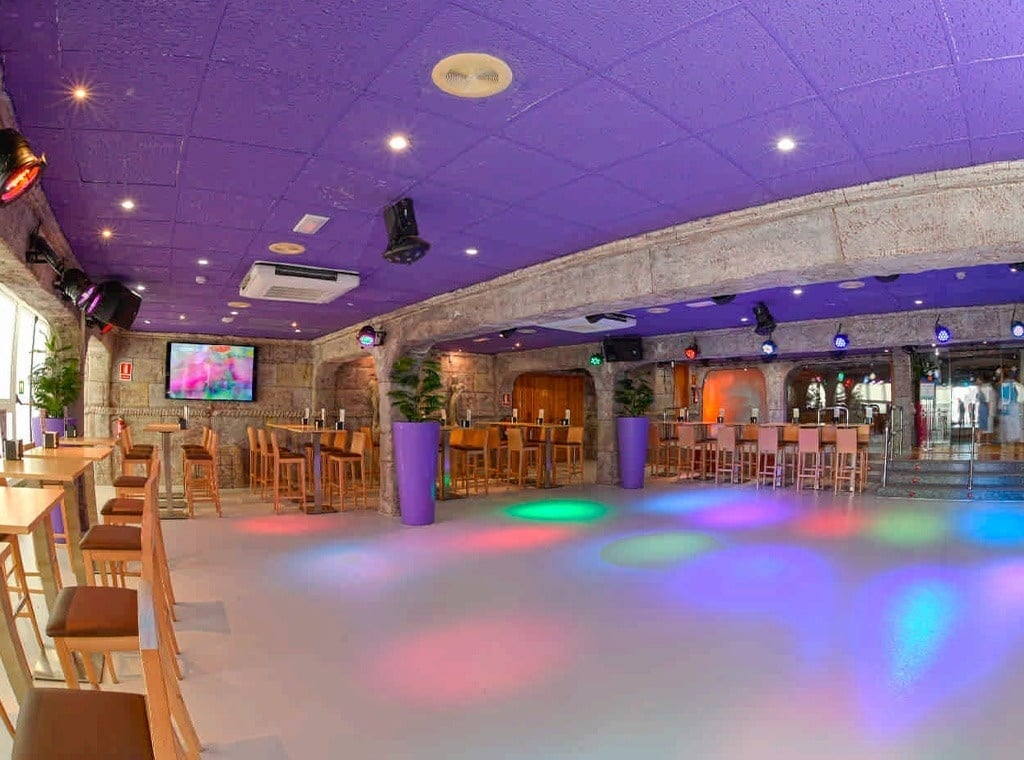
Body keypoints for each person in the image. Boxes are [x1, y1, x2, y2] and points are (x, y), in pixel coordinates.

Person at [999, 369, 1023, 444]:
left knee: (1009, 425)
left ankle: (1010, 441)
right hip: (1015, 405)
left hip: (1006, 407)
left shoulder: (1003, 384)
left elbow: (1001, 397)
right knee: (1016, 425)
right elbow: (1021, 396)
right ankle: (1017, 441)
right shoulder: (1016, 384)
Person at [976, 378, 993, 443]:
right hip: (984, 407)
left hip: (981, 407)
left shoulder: (979, 389)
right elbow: (988, 400)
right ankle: (979, 438)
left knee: (982, 424)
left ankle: (978, 438)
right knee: (984, 424)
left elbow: (977, 399)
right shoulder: (986, 389)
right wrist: (988, 409)